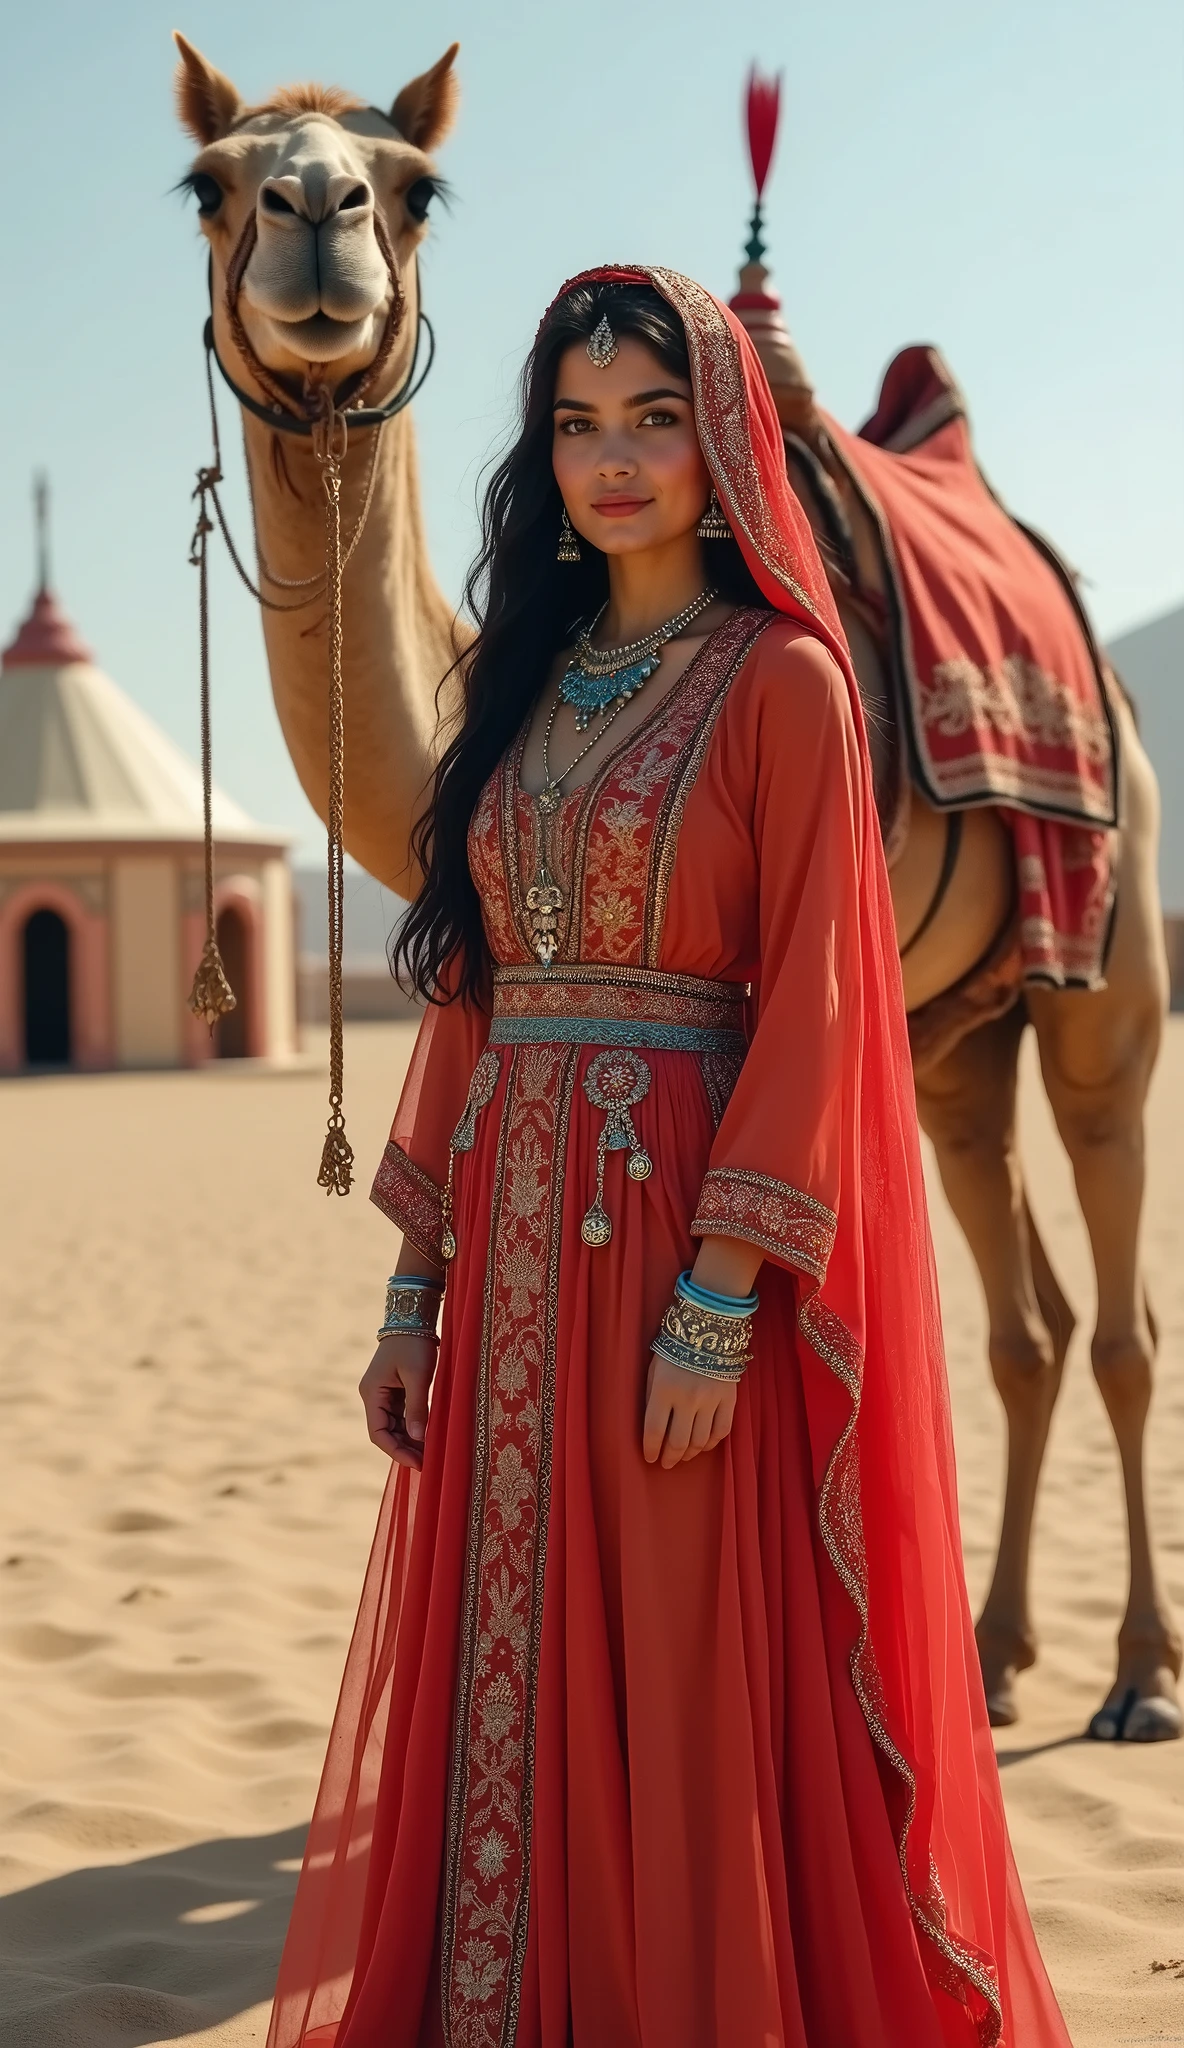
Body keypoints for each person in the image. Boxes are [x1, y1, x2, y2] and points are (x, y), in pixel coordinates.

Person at [268, 267, 1072, 2048]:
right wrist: (416, 1285)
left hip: (679, 1267)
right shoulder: (528, 687)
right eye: (577, 423)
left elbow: (818, 1010)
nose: (613, 460)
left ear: (715, 436)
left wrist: (719, 1299)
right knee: (514, 1662)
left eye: (650, 418)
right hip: (508, 1279)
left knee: (689, 1666)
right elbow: (478, 990)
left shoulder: (785, 680)